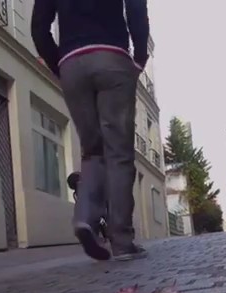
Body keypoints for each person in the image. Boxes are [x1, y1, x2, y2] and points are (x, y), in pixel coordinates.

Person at [32, 0, 149, 262]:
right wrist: (140, 56)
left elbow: (39, 28)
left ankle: (84, 218)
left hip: (72, 63)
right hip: (112, 57)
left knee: (92, 151)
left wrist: (60, 65)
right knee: (118, 154)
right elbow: (136, 9)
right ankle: (122, 241)